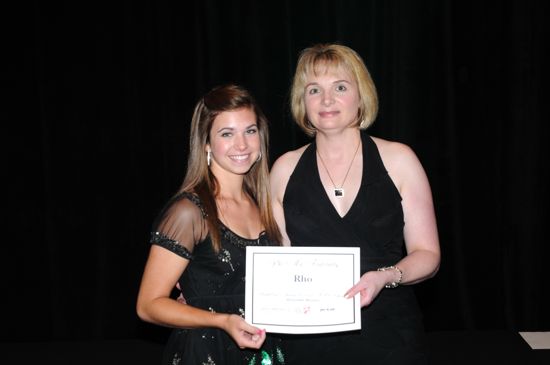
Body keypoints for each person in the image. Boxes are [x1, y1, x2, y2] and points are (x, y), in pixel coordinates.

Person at [270, 43, 440, 364]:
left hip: (389, 335)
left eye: (341, 87)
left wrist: (384, 277)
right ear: (301, 102)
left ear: (361, 96)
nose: (327, 100)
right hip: (308, 340)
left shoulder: (399, 160)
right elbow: (274, 264)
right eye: (314, 89)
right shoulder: (283, 169)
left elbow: (428, 255)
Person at [137, 84, 286, 364]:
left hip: (264, 351)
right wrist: (222, 321)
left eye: (250, 131)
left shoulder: (263, 205)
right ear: (206, 143)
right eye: (227, 134)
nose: (241, 145)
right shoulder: (189, 212)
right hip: (208, 352)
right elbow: (148, 305)